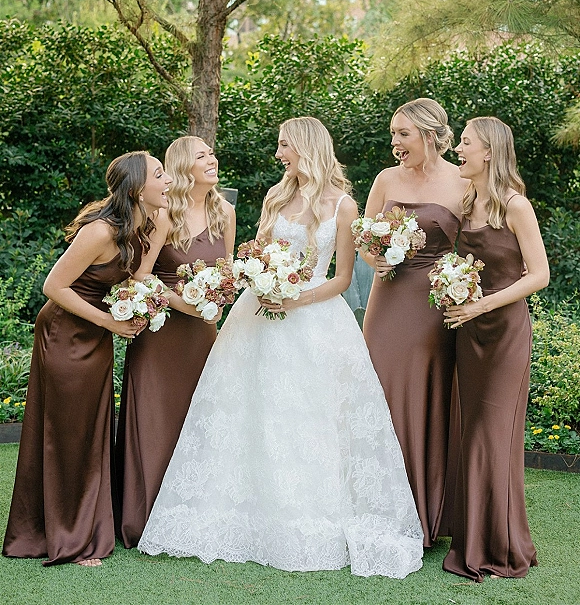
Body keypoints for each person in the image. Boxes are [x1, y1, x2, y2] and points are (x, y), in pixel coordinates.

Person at [138, 117, 423, 578]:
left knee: (312, 415)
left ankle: (309, 516)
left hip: (317, 321)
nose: (278, 155)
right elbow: (257, 254)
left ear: (306, 147)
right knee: (254, 411)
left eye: (284, 146)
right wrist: (261, 280)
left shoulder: (344, 205)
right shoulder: (275, 196)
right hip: (260, 313)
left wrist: (297, 299)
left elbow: (342, 279)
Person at [2, 151, 172, 567]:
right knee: (68, 434)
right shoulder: (99, 231)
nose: (168, 179)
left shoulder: (144, 224)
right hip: (65, 334)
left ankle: (81, 525)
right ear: (137, 189)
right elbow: (53, 286)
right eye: (160, 174)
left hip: (96, 336)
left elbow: (135, 279)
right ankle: (68, 539)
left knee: (90, 432)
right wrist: (109, 321)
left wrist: (143, 306)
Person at [442, 117, 549, 582]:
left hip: (504, 332)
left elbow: (539, 275)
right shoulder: (467, 203)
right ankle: (473, 539)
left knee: (492, 433)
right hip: (468, 333)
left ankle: (501, 547)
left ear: (489, 152)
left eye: (465, 142)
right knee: (472, 432)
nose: (458, 149)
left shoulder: (515, 205)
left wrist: (482, 303)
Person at [115, 136, 236, 548]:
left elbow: (227, 271)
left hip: (203, 334)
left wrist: (218, 302)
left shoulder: (225, 212)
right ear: (184, 166)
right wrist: (187, 304)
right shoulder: (164, 215)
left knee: (197, 420)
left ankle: (191, 515)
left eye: (212, 153)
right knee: (157, 419)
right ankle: (145, 517)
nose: (212, 159)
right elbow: (140, 275)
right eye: (202, 156)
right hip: (163, 332)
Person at [362, 97, 467, 547]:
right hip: (386, 301)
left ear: (429, 135)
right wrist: (376, 259)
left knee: (424, 395)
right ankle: (374, 509)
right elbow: (364, 240)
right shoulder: (386, 179)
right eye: (393, 134)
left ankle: (423, 512)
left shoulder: (463, 182)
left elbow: (478, 244)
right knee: (377, 390)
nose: (395, 143)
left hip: (432, 304)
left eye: (403, 134)